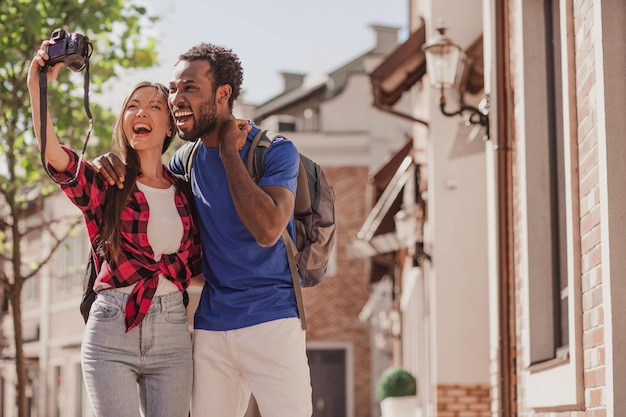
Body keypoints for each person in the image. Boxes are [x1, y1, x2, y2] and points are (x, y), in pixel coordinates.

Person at [96, 43, 313, 417]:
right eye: (174, 89)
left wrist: (230, 153)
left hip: (273, 322)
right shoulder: (185, 160)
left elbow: (268, 230)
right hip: (211, 327)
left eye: (190, 88)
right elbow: (149, 183)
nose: (176, 99)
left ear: (223, 94)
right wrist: (111, 163)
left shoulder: (276, 151)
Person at [28, 41, 203, 417]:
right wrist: (36, 84)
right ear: (124, 120)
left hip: (172, 329)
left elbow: (199, 265)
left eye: (155, 106)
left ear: (169, 124)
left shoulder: (185, 192)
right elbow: (54, 155)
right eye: (133, 106)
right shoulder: (107, 182)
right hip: (111, 326)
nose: (142, 111)